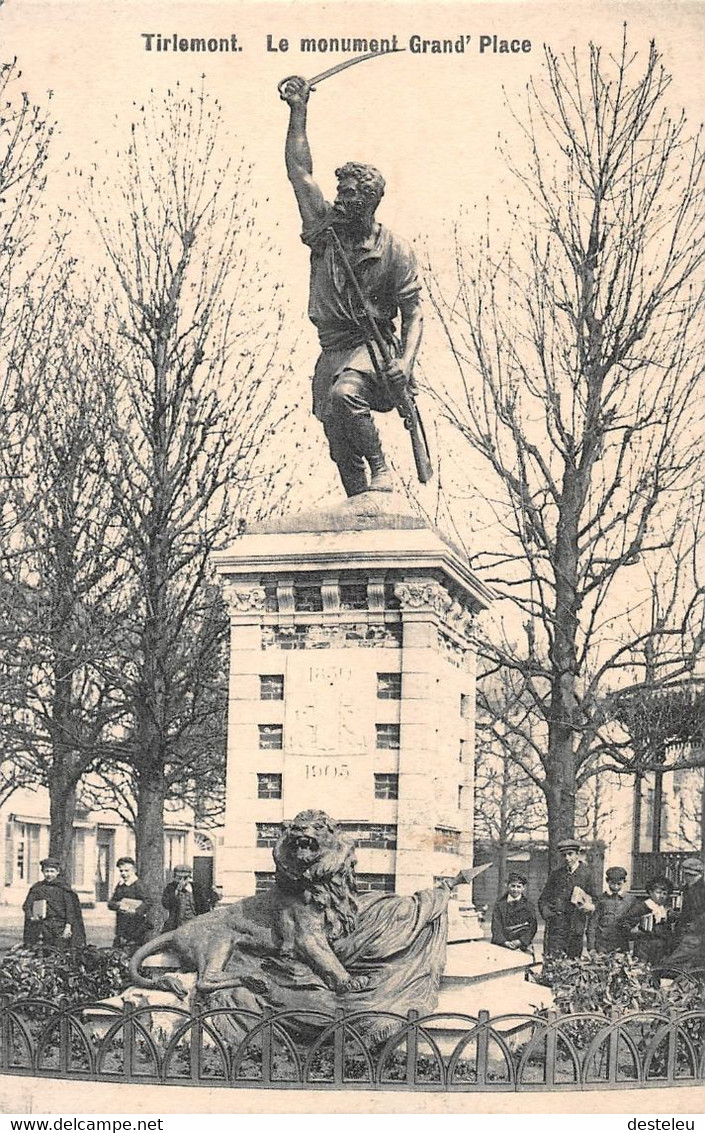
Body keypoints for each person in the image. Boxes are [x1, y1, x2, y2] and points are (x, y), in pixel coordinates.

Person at [280, 75, 424, 498]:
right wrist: (298, 112)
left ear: (369, 201)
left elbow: (414, 312)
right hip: (332, 347)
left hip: (372, 349)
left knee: (346, 397)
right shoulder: (324, 230)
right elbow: (299, 172)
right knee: (338, 439)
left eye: (348, 195)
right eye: (338, 192)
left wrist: (407, 362)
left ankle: (382, 470)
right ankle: (361, 502)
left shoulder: (394, 249)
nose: (339, 200)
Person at [538, 839, 598, 958]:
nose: (567, 858)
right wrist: (549, 914)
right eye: (564, 855)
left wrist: (589, 906)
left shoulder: (587, 874)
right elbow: (543, 899)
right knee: (554, 962)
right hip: (557, 928)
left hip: (575, 927)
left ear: (577, 854)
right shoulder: (556, 874)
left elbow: (596, 899)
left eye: (570, 854)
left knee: (573, 964)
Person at [22, 857, 86, 950]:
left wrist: (68, 927)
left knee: (60, 954)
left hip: (60, 927)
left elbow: (70, 910)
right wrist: (31, 916)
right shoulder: (37, 888)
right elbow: (27, 906)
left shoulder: (64, 889)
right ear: (42, 872)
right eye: (46, 871)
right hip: (42, 928)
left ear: (57, 872)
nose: (49, 874)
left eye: (52, 871)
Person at [623, 875, 678, 966]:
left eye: (665, 894)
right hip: (644, 946)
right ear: (650, 892)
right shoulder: (642, 907)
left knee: (658, 971)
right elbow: (625, 922)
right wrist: (634, 930)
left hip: (661, 948)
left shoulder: (664, 910)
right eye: (658, 892)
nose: (661, 896)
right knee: (642, 970)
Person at [587, 866, 638, 953]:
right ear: (607, 881)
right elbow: (592, 924)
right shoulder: (601, 899)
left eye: (619, 884)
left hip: (622, 945)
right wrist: (591, 947)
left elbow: (635, 920)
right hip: (602, 945)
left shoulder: (631, 899)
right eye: (612, 883)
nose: (615, 887)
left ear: (624, 882)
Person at [108, 856, 152, 951]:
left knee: (133, 952)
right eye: (121, 871)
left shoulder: (139, 885)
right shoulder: (120, 886)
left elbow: (148, 901)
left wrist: (136, 911)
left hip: (136, 926)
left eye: (127, 871)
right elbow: (111, 903)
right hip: (122, 924)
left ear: (134, 870)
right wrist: (118, 905)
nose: (123, 874)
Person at [161, 865, 221, 932]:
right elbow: (166, 904)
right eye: (179, 878)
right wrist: (177, 892)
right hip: (176, 926)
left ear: (189, 878)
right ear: (174, 878)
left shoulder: (197, 888)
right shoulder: (170, 888)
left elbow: (213, 897)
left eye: (185, 878)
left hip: (195, 926)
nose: (182, 881)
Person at [490, 872, 538, 952]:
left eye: (518, 887)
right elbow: (496, 926)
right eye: (513, 886)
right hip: (502, 944)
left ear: (523, 888)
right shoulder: (499, 905)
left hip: (521, 945)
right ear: (507, 886)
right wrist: (504, 942)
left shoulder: (529, 906)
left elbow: (532, 927)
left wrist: (520, 941)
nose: (515, 889)